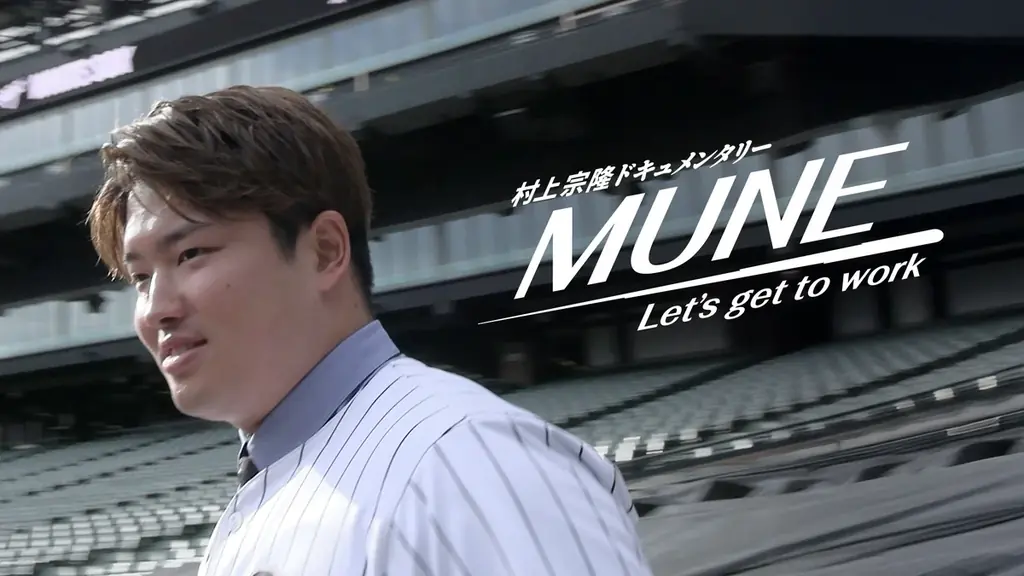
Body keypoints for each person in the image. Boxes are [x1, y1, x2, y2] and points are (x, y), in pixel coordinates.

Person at [87, 85, 652, 576]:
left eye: (190, 254)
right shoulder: (284, 481)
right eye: (141, 278)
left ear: (325, 251)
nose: (156, 309)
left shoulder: (463, 460)